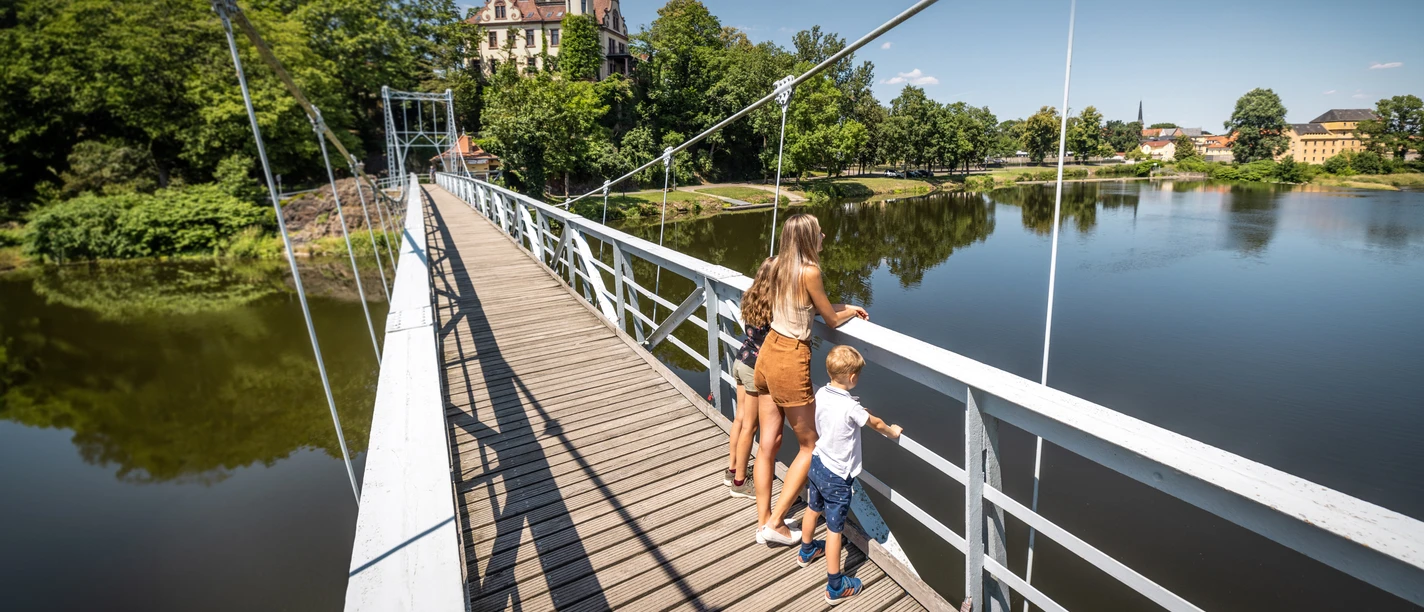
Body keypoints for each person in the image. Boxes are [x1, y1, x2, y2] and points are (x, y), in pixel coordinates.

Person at [752, 214, 868, 546]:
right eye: (819, 232)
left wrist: (846, 305)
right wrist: (851, 311)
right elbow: (830, 319)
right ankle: (776, 523)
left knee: (768, 443)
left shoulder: (777, 266)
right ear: (807, 238)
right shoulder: (810, 271)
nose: (824, 235)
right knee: (810, 445)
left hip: (768, 352)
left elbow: (811, 306)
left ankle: (763, 521)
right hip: (790, 359)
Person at [795, 345, 902, 605]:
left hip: (818, 462)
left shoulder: (822, 392)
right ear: (853, 377)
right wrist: (892, 431)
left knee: (813, 508)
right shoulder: (851, 408)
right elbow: (875, 423)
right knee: (835, 529)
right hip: (837, 475)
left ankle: (806, 551)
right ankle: (835, 586)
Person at [725, 258, 775, 499]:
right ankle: (740, 482)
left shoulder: (750, 296)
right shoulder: (775, 304)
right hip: (755, 367)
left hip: (741, 359)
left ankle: (732, 469)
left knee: (740, 419)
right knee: (750, 426)